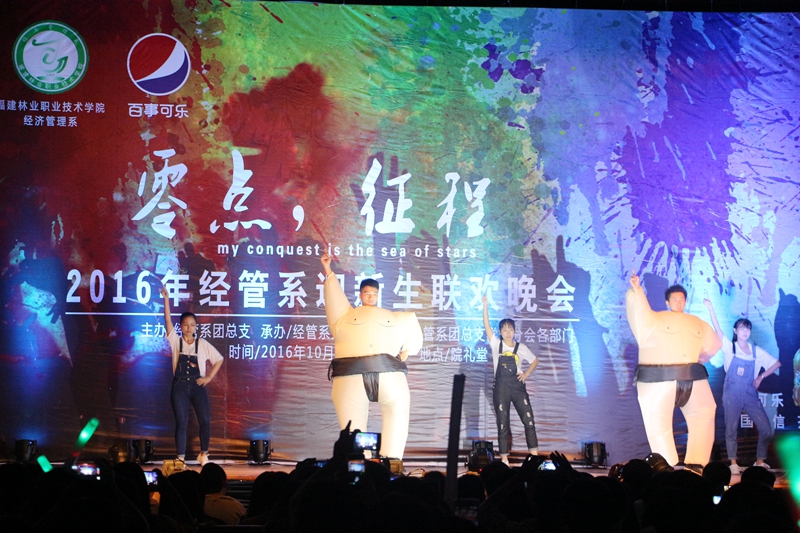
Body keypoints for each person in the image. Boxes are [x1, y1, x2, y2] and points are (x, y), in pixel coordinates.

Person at [320, 252, 423, 459]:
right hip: (352, 376)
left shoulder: (392, 317)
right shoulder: (344, 315)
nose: (370, 297)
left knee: (397, 411)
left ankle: (393, 461)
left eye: (374, 294)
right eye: (367, 293)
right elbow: (334, 296)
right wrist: (328, 270)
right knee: (352, 427)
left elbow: (410, 321)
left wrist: (408, 349)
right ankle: (359, 461)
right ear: (360, 295)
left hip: (388, 374)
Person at [625, 271, 721, 469]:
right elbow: (639, 314)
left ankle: (697, 465)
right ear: (667, 302)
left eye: (682, 299)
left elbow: (713, 346)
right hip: (659, 380)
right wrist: (637, 291)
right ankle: (665, 467)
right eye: (675, 299)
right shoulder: (654, 319)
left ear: (685, 301)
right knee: (658, 424)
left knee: (705, 412)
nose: (678, 302)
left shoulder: (698, 322)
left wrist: (696, 358)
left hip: (693, 377)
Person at [704, 297, 780, 474]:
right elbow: (718, 330)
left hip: (750, 393)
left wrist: (760, 377)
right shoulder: (729, 347)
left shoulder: (755, 351)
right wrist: (711, 309)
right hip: (732, 394)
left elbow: (776, 364)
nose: (745, 332)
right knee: (731, 429)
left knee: (766, 429)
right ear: (735, 331)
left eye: (748, 329)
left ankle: (759, 461)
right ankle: (733, 463)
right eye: (742, 328)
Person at [162, 286, 223, 465]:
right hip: (179, 385)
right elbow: (167, 319)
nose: (189, 328)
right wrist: (166, 299)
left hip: (197, 386)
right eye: (185, 324)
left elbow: (219, 359)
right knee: (181, 422)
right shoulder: (175, 341)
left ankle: (204, 454)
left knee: (205, 420)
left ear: (196, 327)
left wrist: (208, 378)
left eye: (192, 325)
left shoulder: (202, 343)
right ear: (181, 326)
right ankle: (180, 458)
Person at [482, 294, 539, 465]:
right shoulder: (496, 344)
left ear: (514, 331)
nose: (508, 333)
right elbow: (486, 325)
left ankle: (534, 456)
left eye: (511, 330)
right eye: (505, 330)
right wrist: (485, 306)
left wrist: (526, 374)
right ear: (500, 332)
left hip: (517, 387)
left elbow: (535, 361)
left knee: (529, 420)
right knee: (503, 423)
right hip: (501, 388)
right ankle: (504, 459)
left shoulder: (521, 347)